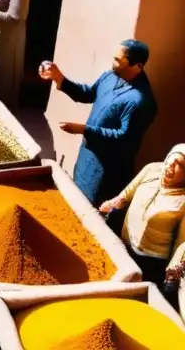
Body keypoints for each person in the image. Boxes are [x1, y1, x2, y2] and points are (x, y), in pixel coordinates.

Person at [39, 39, 157, 206]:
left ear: (137, 66)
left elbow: (125, 139)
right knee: (76, 199)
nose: (113, 62)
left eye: (118, 60)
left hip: (107, 170)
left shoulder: (140, 101)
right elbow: (88, 94)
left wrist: (85, 130)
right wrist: (60, 78)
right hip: (87, 156)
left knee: (92, 211)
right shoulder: (110, 76)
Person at [98, 144, 185, 294]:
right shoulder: (151, 170)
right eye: (171, 158)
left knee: (132, 296)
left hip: (150, 261)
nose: (171, 164)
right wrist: (111, 204)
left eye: (180, 164)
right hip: (124, 243)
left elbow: (182, 242)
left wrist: (172, 272)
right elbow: (126, 194)